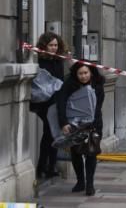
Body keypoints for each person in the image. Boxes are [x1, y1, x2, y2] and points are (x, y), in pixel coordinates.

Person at [57, 62, 105, 196]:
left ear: (91, 72)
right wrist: (64, 123)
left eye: (86, 73)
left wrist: (92, 122)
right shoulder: (69, 85)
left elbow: (98, 106)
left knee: (91, 152)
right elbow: (61, 103)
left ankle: (90, 184)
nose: (83, 76)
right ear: (75, 74)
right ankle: (80, 181)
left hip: (94, 124)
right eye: (80, 73)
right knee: (76, 152)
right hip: (74, 124)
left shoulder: (97, 84)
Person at [29, 31, 66, 179]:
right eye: (51, 45)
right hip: (44, 102)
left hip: (56, 101)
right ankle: (43, 167)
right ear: (44, 46)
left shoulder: (59, 60)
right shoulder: (40, 60)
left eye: (56, 45)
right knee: (49, 133)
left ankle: (50, 166)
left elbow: (61, 79)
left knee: (53, 134)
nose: (54, 48)